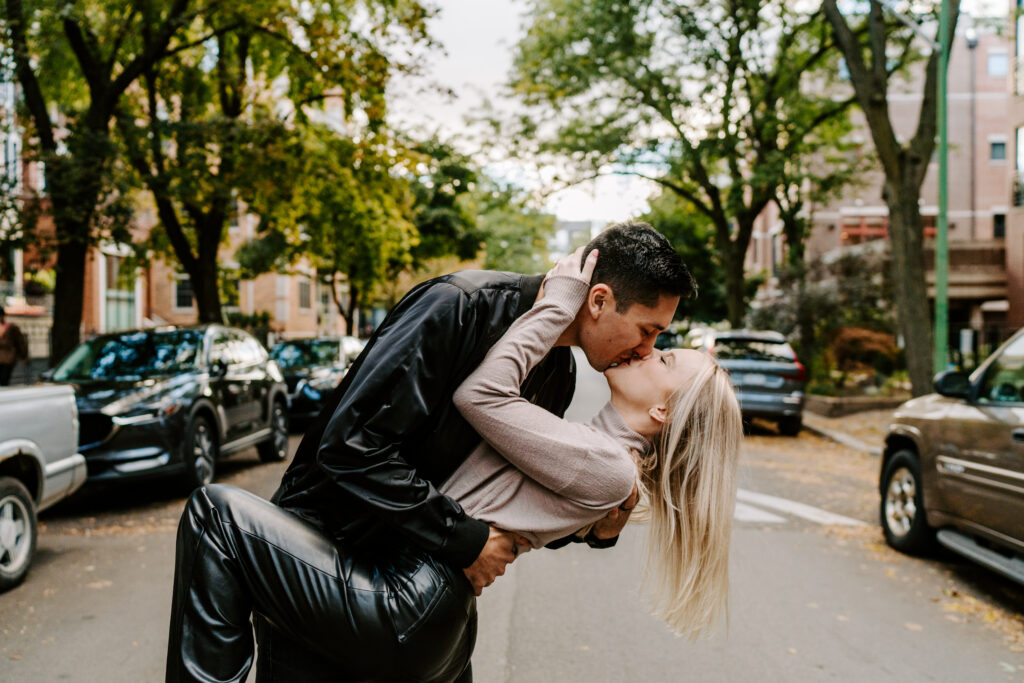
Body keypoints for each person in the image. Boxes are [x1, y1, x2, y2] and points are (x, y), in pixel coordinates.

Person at [164, 246, 742, 682]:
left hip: (420, 593)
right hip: (341, 549)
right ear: (598, 300)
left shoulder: (556, 376)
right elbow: (350, 445)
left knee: (214, 512)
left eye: (659, 345)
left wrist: (592, 527)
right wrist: (467, 538)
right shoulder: (456, 307)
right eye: (649, 333)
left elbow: (524, 496)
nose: (646, 349)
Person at [0, 305, 28, 386]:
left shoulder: (11, 328)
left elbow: (20, 342)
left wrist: (23, 356)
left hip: (7, 358)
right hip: (6, 358)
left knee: (4, 379)